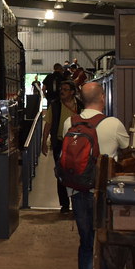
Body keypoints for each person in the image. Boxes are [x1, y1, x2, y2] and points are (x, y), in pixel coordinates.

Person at [70, 81, 130, 269]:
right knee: (102, 241)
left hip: (77, 192)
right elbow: (127, 148)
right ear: (102, 98)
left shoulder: (70, 122)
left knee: (86, 243)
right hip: (103, 193)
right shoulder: (113, 123)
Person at [40, 80, 82, 214]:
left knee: (78, 173)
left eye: (65, 89)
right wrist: (44, 141)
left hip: (79, 145)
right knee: (61, 174)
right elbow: (48, 124)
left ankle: (77, 203)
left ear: (72, 92)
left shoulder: (80, 106)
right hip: (60, 143)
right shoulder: (56, 105)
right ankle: (64, 205)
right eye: (61, 89)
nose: (61, 91)